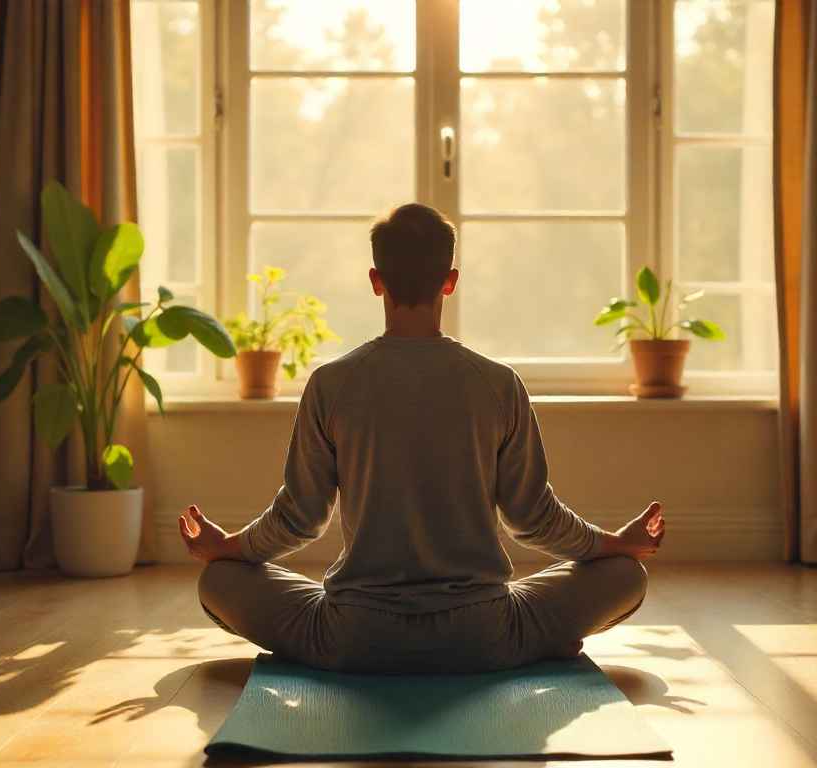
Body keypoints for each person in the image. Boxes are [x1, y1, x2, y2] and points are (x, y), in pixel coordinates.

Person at [178, 202, 666, 674]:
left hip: (355, 635)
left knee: (219, 580)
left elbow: (300, 518)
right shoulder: (499, 384)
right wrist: (613, 544)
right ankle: (534, 645)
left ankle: (336, 656)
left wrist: (231, 548)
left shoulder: (331, 383)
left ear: (376, 281)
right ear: (450, 281)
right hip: (484, 634)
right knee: (625, 575)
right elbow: (532, 518)